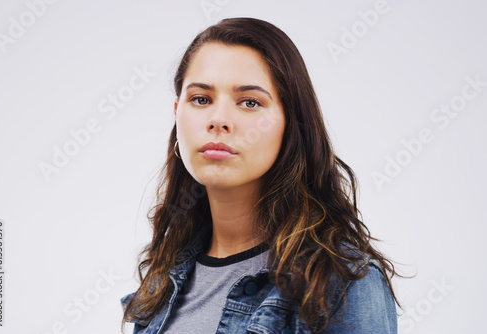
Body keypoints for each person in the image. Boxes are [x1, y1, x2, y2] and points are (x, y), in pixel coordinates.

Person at [121, 17, 399, 334]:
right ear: (176, 112)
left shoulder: (342, 281)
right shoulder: (164, 278)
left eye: (250, 102)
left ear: (290, 123)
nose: (219, 119)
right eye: (201, 99)